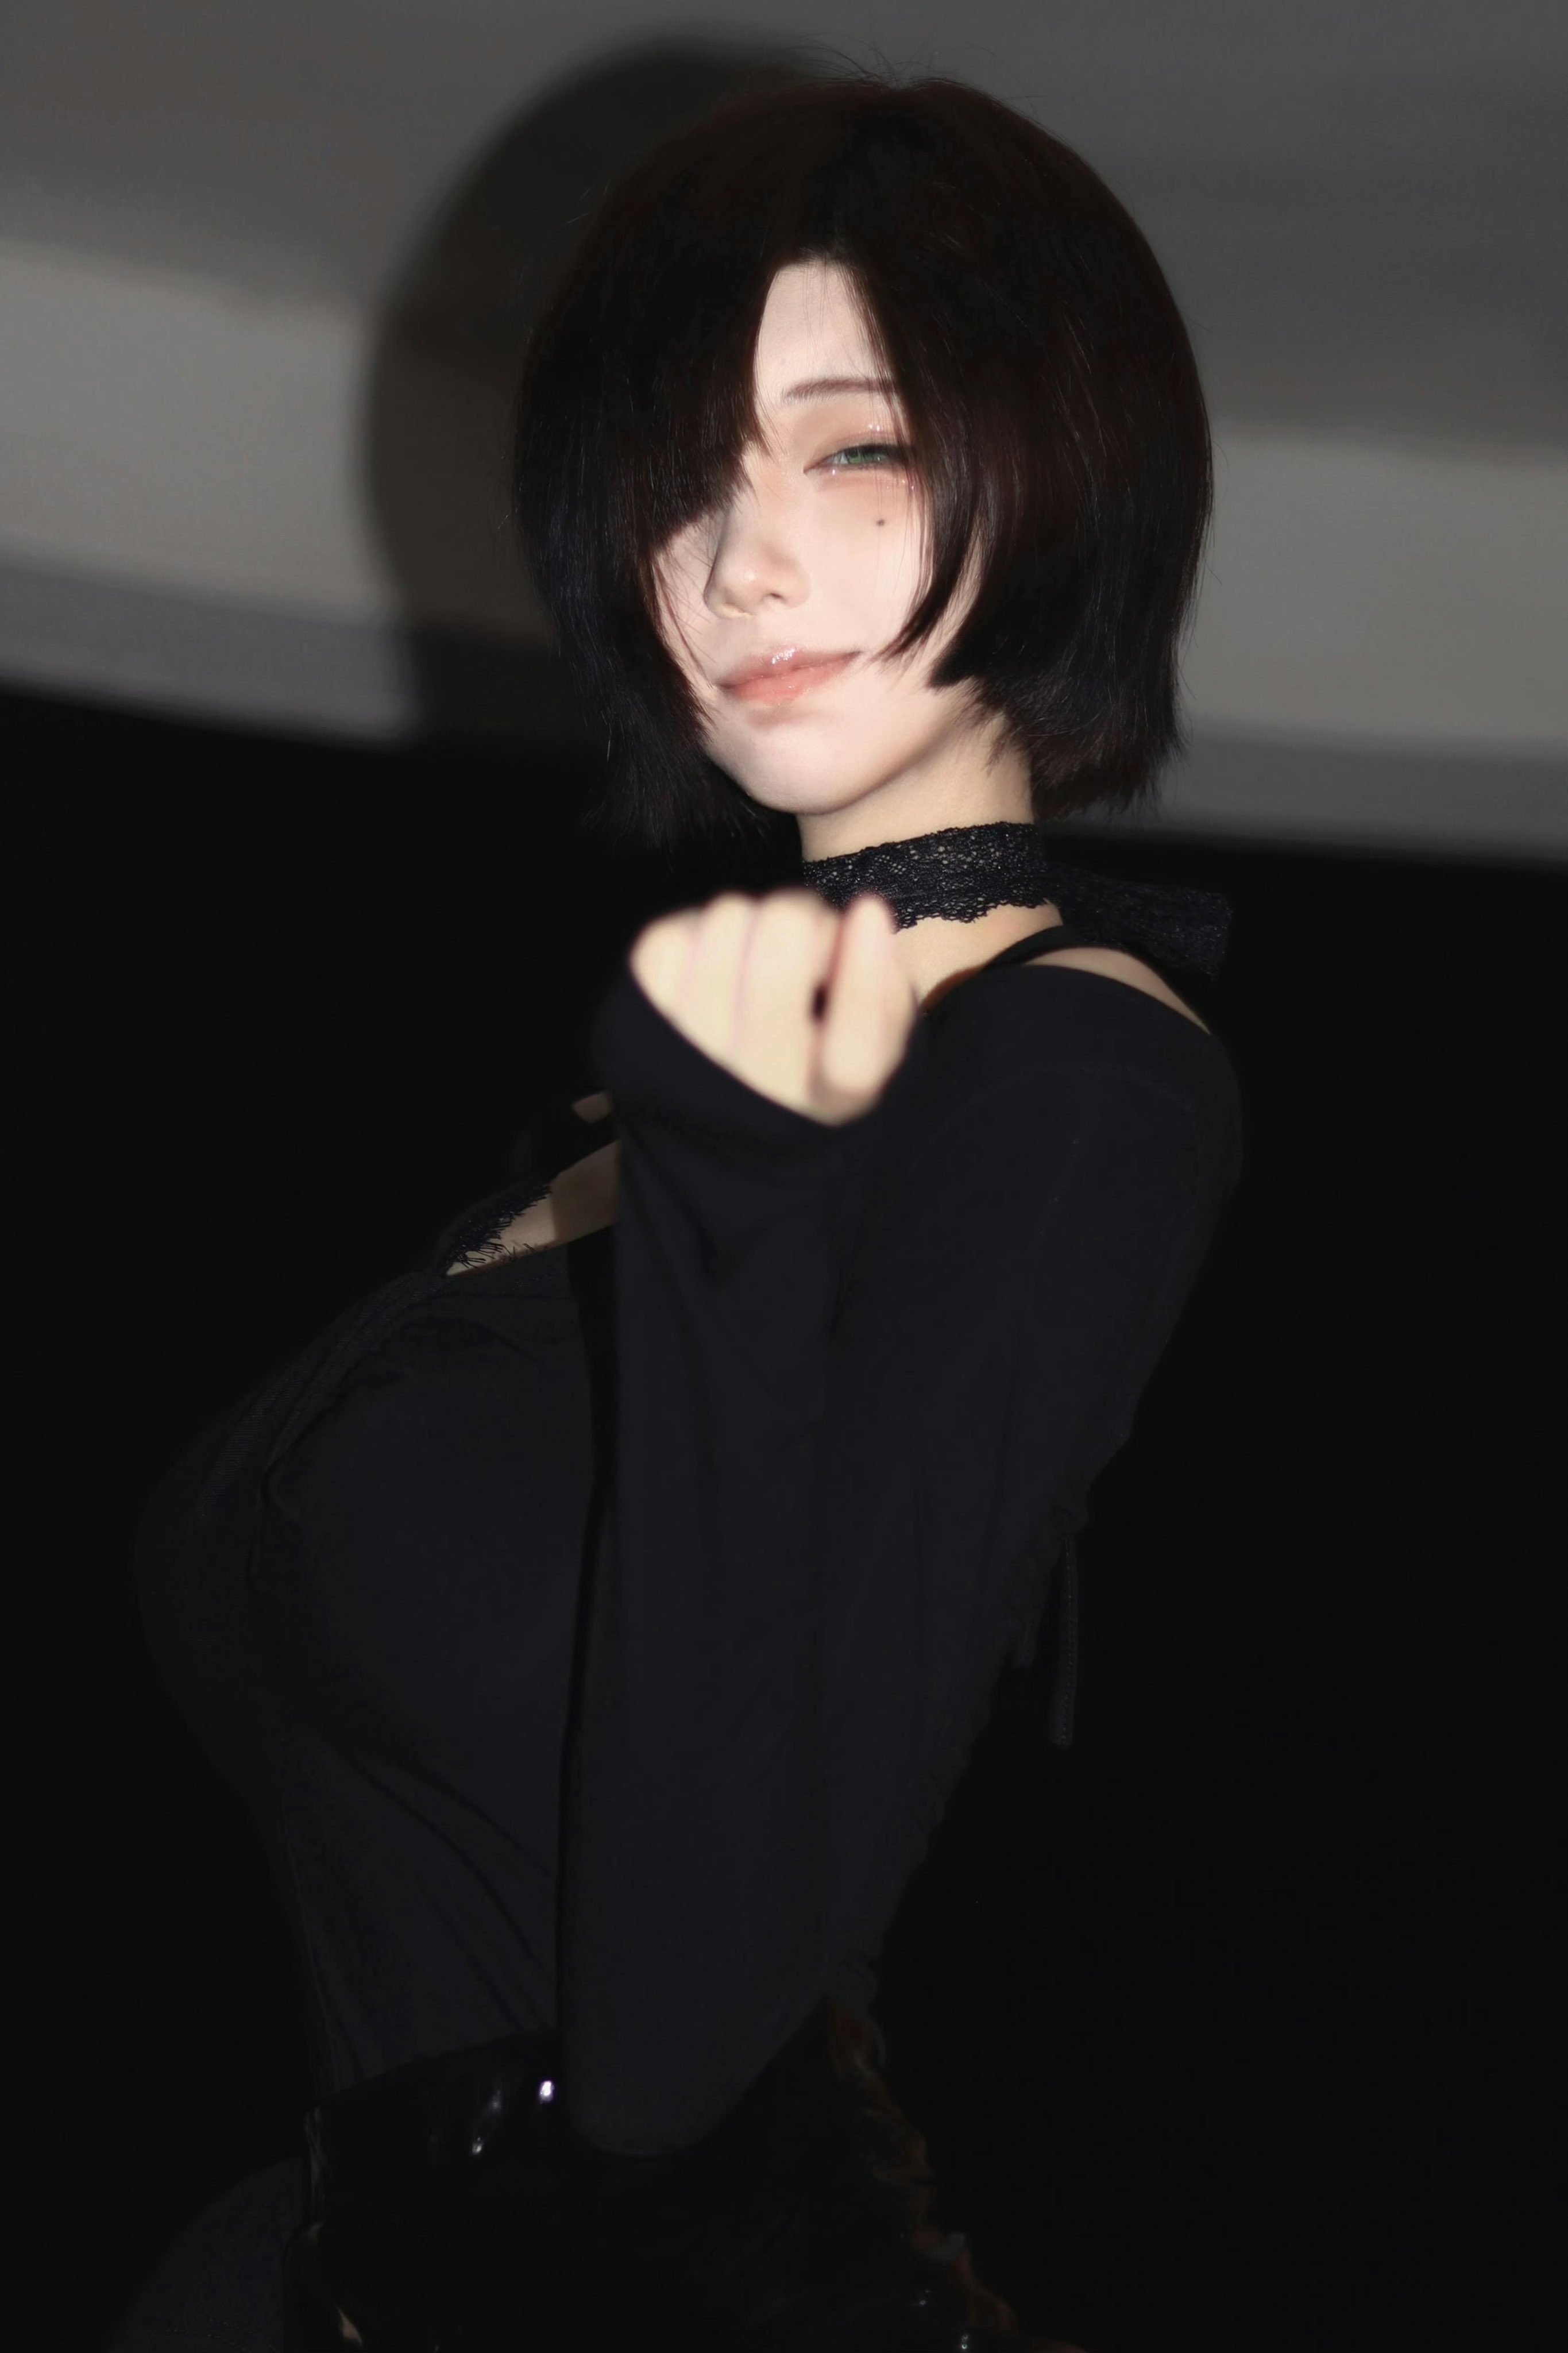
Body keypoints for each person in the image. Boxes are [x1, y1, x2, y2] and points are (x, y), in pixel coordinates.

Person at [126, 72, 1241, 2353]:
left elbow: (677, 2037)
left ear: (1066, 453)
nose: (739, 566)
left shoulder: (1073, 1070)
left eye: (853, 449)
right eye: (678, 486)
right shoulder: (631, 1127)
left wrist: (745, 1191)